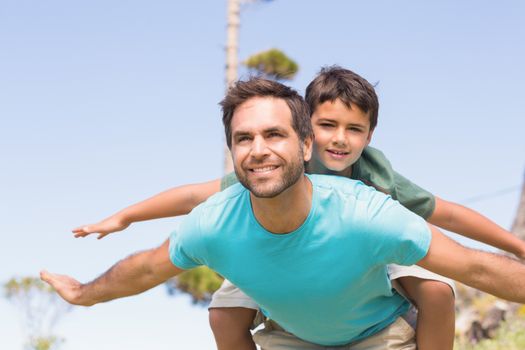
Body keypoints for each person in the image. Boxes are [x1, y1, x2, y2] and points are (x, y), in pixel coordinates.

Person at [43, 78, 525, 350]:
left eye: (274, 135)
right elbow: (153, 256)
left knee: (437, 289)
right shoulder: (229, 205)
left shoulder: (373, 200)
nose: (258, 150)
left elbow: (467, 248)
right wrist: (103, 256)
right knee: (224, 313)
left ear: (302, 143)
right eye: (243, 139)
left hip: (366, 257)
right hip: (275, 274)